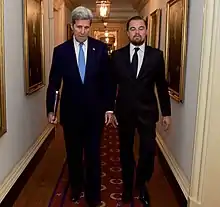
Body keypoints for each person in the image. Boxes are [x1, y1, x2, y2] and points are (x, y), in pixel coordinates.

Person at [46, 6, 113, 207]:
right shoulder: (61, 51)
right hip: (71, 112)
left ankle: (93, 194)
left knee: (93, 155)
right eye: (79, 27)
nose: (82, 31)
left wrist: (109, 108)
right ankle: (76, 188)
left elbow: (108, 81)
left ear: (90, 27)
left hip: (94, 113)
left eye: (86, 27)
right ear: (72, 26)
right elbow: (54, 83)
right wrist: (51, 109)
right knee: (74, 154)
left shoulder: (100, 49)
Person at [109, 16, 171, 206]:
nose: (137, 32)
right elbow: (111, 85)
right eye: (133, 29)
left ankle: (142, 183)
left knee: (148, 151)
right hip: (124, 112)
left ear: (146, 31)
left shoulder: (156, 56)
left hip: (147, 111)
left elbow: (161, 86)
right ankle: (128, 186)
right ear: (127, 33)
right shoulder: (117, 56)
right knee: (125, 151)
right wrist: (110, 110)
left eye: (141, 28)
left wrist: (166, 113)